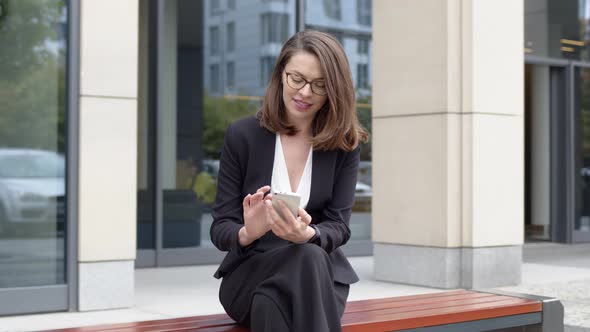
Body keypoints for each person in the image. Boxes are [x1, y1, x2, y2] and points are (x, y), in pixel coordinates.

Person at [210, 30, 369, 332]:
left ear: (334, 90)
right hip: (252, 272)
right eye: (297, 78)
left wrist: (308, 234)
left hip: (317, 279)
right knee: (301, 265)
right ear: (281, 74)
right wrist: (248, 232)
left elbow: (339, 226)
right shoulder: (242, 136)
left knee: (275, 297)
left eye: (319, 85)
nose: (305, 92)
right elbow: (220, 228)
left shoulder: (344, 144)